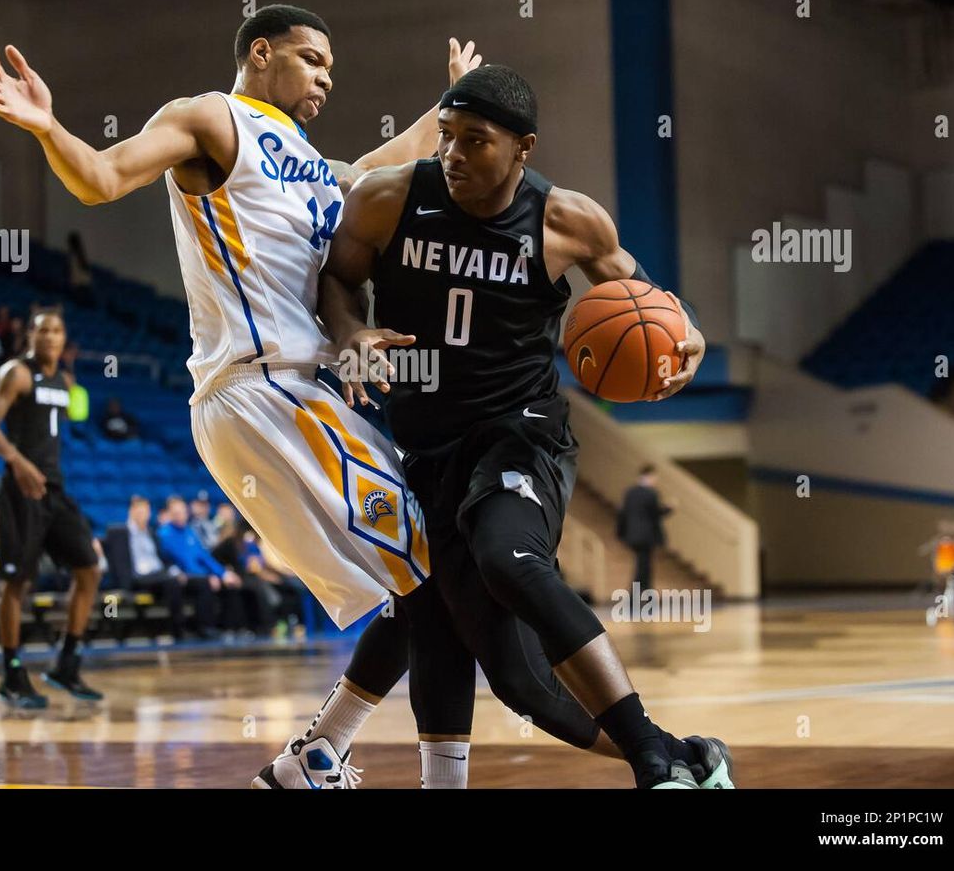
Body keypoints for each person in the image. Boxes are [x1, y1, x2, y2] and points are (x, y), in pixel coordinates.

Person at [0, 7, 484, 777]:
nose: (325, 77)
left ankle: (313, 760)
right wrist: (49, 129)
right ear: (261, 52)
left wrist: (448, 109)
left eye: (331, 69)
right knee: (440, 581)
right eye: (312, 59)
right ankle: (386, 766)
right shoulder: (210, 118)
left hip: (296, 397)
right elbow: (105, 177)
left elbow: (379, 165)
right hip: (264, 391)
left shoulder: (312, 162)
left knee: (423, 586)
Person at [279, 64, 730, 790]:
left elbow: (643, 298)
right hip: (421, 447)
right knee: (511, 679)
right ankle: (685, 755)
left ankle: (653, 767)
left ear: (523, 147)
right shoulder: (389, 197)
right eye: (448, 136)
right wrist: (351, 331)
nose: (453, 153)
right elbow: (338, 278)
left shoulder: (567, 220)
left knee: (506, 556)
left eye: (475, 141)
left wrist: (691, 333)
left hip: (518, 433)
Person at [0, 307, 103, 707]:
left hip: (54, 489)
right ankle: (12, 674)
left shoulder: (64, 382)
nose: (50, 337)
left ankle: (67, 664)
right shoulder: (15, 373)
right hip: (20, 489)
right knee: (17, 583)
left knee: (89, 569)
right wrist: (18, 462)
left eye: (57, 330)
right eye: (42, 330)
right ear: (29, 336)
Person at [105, 495, 219, 640]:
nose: (143, 515)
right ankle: (179, 630)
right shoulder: (121, 532)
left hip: (159, 575)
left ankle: (205, 628)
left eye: (145, 511)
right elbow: (119, 562)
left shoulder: (152, 533)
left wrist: (175, 572)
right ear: (131, 512)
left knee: (202, 582)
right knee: (172, 582)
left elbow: (165, 560)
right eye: (139, 511)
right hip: (139, 577)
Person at [157, 495, 246, 631]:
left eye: (183, 512)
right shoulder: (165, 534)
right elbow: (184, 561)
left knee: (231, 582)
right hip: (182, 577)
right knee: (205, 584)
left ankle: (233, 628)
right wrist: (207, 575)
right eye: (176, 513)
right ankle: (205, 628)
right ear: (170, 514)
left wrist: (222, 573)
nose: (180, 516)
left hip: (198, 574)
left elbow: (204, 556)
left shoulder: (189, 531)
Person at [618, 465, 674, 593]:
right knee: (643, 567)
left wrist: (621, 533)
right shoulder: (651, 493)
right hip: (646, 536)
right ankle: (639, 595)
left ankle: (644, 594)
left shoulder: (630, 492)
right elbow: (655, 513)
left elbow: (623, 514)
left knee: (643, 565)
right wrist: (669, 508)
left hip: (632, 534)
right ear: (649, 476)